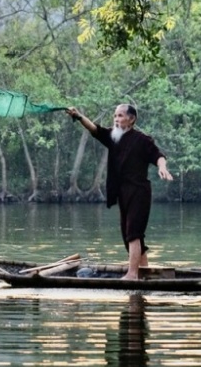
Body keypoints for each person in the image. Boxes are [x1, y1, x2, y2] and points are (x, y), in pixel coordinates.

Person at [67, 103, 173, 279]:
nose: (116, 119)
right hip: (123, 193)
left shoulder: (142, 140)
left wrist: (163, 168)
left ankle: (132, 274)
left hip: (139, 192)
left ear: (131, 120)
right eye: (115, 116)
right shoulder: (113, 137)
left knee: (133, 233)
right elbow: (95, 129)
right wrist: (78, 116)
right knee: (129, 234)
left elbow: (158, 156)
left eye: (120, 116)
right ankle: (144, 272)